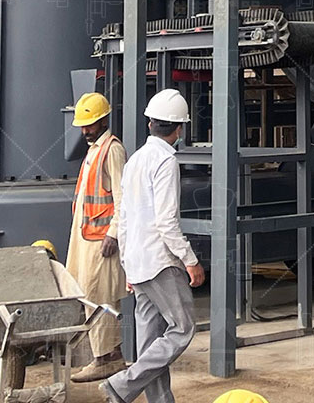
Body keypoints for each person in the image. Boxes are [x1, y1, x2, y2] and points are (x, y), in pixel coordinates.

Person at [101, 88, 205, 403]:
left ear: (149, 123)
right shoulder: (165, 162)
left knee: (150, 342)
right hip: (160, 262)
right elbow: (166, 222)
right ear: (180, 129)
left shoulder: (135, 160)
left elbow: (126, 215)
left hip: (137, 261)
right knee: (182, 329)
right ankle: (122, 384)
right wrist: (190, 260)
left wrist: (128, 265)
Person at [67, 92, 128, 383]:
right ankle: (103, 355)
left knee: (100, 298)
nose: (85, 130)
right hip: (85, 238)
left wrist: (113, 234)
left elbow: (122, 197)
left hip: (100, 240)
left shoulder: (112, 150)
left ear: (104, 120)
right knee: (87, 296)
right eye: (82, 125)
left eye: (89, 125)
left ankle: (107, 358)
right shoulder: (94, 149)